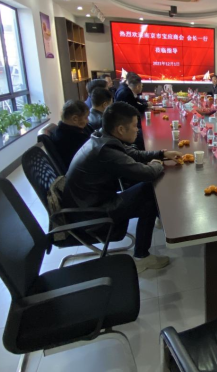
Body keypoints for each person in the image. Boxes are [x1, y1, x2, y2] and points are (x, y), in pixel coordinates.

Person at [63, 102, 183, 273]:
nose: (137, 130)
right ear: (120, 129)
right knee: (148, 192)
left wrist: (162, 153)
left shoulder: (101, 137)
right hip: (92, 212)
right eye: (134, 126)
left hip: (88, 201)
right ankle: (142, 256)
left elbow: (133, 154)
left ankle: (156, 226)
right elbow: (147, 173)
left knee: (147, 192)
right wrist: (157, 163)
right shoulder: (106, 151)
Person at [51, 100, 92, 170]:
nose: (88, 121)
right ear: (75, 119)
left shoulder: (60, 130)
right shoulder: (73, 138)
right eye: (86, 117)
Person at [115, 76, 148, 150]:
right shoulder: (126, 93)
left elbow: (136, 102)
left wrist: (145, 104)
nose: (142, 88)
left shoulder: (127, 90)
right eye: (141, 86)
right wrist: (146, 105)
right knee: (144, 133)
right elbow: (136, 108)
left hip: (123, 120)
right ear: (138, 86)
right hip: (124, 121)